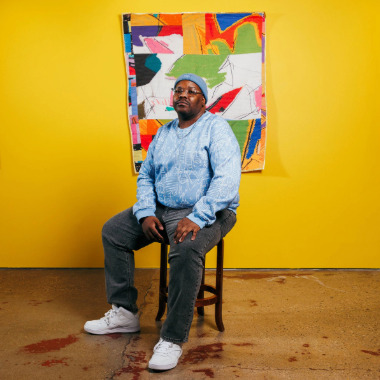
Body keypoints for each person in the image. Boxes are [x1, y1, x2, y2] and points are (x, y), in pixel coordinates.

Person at [84, 73, 241, 371]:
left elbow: (227, 181)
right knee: (113, 231)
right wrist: (145, 212)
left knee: (185, 248)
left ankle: (171, 338)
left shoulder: (216, 129)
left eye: (192, 91)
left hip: (209, 210)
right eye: (178, 90)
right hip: (162, 207)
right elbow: (146, 176)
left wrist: (197, 216)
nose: (183, 94)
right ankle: (125, 312)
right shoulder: (164, 133)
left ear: (203, 101)